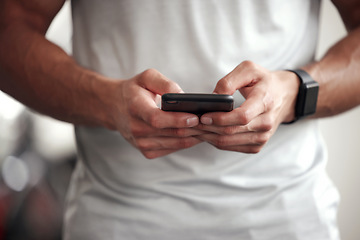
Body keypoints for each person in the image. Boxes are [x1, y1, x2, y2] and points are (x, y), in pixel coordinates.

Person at [0, 0, 359, 239]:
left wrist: (293, 93)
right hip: (117, 221)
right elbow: (8, 32)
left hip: (286, 219)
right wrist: (107, 103)